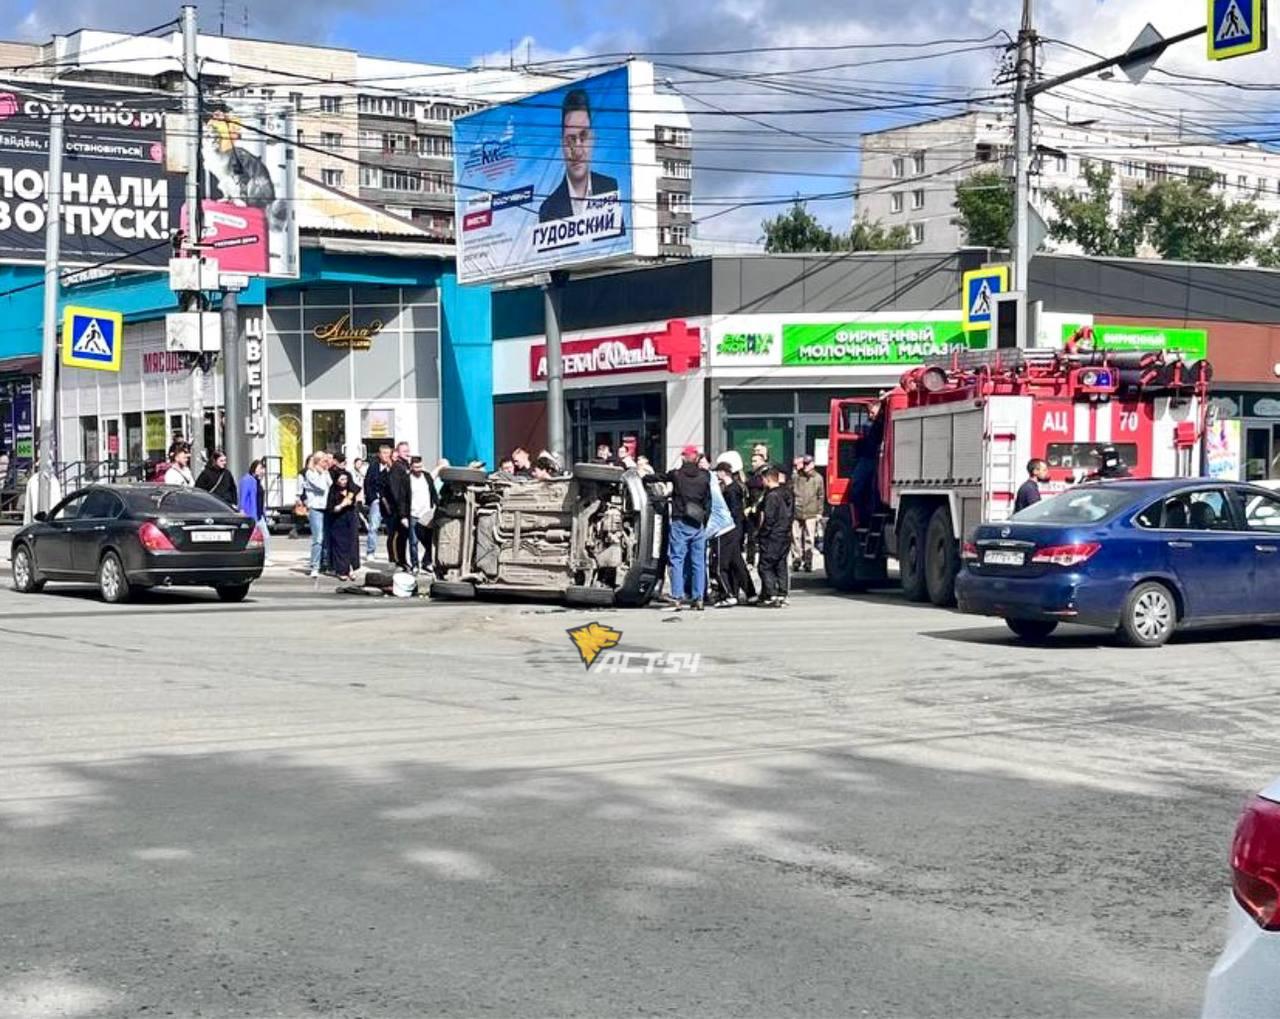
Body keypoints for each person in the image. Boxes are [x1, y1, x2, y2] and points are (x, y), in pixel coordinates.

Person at [537, 88, 623, 225]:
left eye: (583, 137)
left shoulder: (610, 187)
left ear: (593, 139)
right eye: (571, 139)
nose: (577, 151)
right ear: (562, 144)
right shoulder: (548, 209)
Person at [665, 445, 712, 611]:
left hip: (680, 520)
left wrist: (643, 477)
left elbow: (659, 477)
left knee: (677, 558)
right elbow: (708, 499)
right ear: (696, 458)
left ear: (684, 457)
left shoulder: (677, 475)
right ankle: (698, 597)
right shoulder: (705, 476)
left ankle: (677, 596)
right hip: (698, 521)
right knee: (698, 562)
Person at [713, 461, 756, 608]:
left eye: (718, 471)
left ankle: (729, 594)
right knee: (737, 563)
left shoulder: (731, 490)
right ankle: (750, 593)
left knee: (721, 564)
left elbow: (733, 512)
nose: (717, 474)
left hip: (729, 530)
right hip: (736, 530)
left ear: (724, 472)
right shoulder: (736, 488)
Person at [757, 467, 793, 607]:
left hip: (773, 536)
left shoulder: (771, 496)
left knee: (765, 566)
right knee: (780, 564)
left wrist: (762, 533)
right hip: (785, 533)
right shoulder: (787, 493)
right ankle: (782, 593)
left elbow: (769, 518)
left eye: (763, 479)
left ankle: (771, 594)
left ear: (768, 479)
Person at [852, 402, 885, 527]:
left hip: (872, 460)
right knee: (858, 487)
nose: (870, 415)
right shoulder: (869, 425)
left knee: (863, 487)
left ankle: (864, 516)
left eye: (872, 412)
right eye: (869, 413)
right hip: (868, 458)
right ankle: (863, 516)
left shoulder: (878, 424)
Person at [325, 469, 361, 581]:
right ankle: (341, 570)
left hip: (351, 518)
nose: (343, 482)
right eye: (341, 479)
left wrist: (353, 500)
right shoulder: (333, 490)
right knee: (340, 545)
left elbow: (357, 491)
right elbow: (331, 508)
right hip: (338, 520)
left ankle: (350, 569)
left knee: (352, 543)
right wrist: (341, 506)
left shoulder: (351, 488)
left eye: (345, 479)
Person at [791, 455, 825, 572]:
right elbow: (791, 492)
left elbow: (821, 496)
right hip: (797, 511)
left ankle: (808, 561)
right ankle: (797, 559)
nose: (805, 466)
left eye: (807, 464)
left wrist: (819, 512)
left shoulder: (818, 478)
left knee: (809, 538)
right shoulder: (796, 476)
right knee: (795, 537)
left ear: (812, 464)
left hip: (811, 512)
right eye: (804, 464)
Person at [383, 441, 413, 571]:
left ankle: (403, 560)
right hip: (397, 510)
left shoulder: (406, 466)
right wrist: (400, 511)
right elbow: (395, 491)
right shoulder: (397, 467)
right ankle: (396, 561)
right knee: (396, 536)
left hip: (405, 507)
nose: (407, 453)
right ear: (398, 452)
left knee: (403, 537)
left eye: (408, 450)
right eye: (404, 451)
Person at [238, 459, 274, 566]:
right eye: (260, 468)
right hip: (250, 514)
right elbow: (243, 497)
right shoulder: (247, 480)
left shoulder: (257, 481)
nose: (262, 471)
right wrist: (242, 509)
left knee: (265, 535)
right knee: (252, 537)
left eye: (263, 469)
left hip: (259, 514)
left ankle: (265, 557)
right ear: (254, 468)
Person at [301, 452, 332, 578]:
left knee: (326, 537)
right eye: (324, 461)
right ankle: (315, 566)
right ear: (318, 461)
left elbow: (330, 484)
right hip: (316, 508)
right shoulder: (310, 473)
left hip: (326, 507)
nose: (327, 464)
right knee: (318, 538)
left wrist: (325, 472)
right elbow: (321, 487)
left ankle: (325, 563)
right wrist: (322, 473)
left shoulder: (326, 473)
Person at [408, 456, 438, 574]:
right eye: (415, 467)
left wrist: (437, 505)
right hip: (413, 514)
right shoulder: (407, 479)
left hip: (427, 514)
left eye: (420, 466)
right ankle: (415, 565)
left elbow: (433, 492)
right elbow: (403, 497)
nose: (418, 469)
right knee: (413, 542)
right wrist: (403, 516)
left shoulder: (427, 477)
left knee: (429, 541)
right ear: (411, 467)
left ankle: (427, 562)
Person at [363, 444, 392, 560]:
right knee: (373, 527)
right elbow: (367, 483)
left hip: (390, 502)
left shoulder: (394, 467)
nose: (386, 456)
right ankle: (370, 551)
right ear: (379, 455)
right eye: (384, 453)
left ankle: (393, 553)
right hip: (377, 500)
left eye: (388, 453)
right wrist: (373, 498)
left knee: (392, 529)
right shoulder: (373, 467)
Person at [744, 444, 769, 566]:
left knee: (762, 535)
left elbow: (764, 490)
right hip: (750, 509)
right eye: (752, 460)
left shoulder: (766, 472)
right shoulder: (751, 474)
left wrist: (756, 505)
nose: (752, 463)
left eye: (755, 461)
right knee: (751, 536)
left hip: (761, 508)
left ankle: (763, 560)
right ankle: (750, 559)